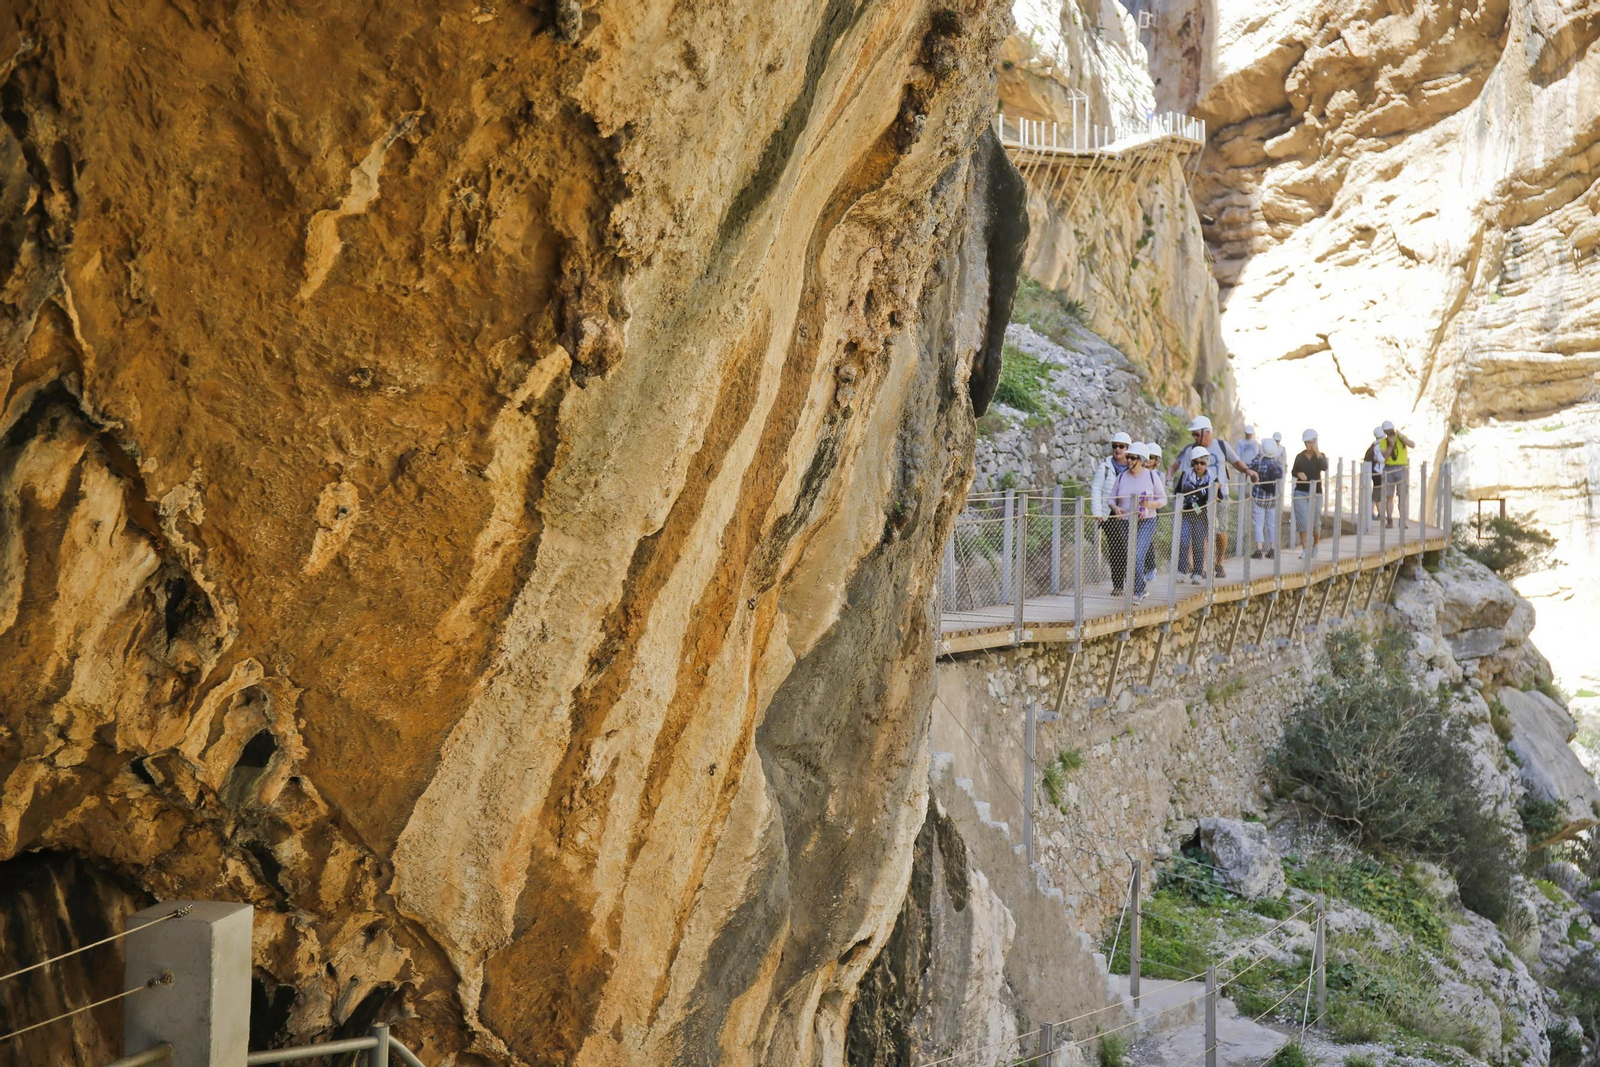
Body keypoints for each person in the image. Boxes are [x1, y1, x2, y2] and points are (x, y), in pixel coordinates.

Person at [1180, 416, 1256, 579]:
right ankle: (1201, 568)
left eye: (1196, 434)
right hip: (1199, 499)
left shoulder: (1221, 446)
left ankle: (1219, 562)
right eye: (1193, 435)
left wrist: (1248, 471)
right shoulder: (1191, 451)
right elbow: (1185, 473)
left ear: (1206, 432)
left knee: (1220, 531)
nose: (1194, 438)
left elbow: (1236, 462)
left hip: (1221, 496)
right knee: (1200, 532)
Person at [1110, 444, 1167, 602]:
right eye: (1128, 457)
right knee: (1131, 555)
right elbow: (1110, 498)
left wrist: (1150, 505)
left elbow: (1163, 499)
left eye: (1133, 458)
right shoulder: (1121, 476)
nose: (1128, 460)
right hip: (1125, 522)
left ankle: (1137, 590)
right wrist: (1115, 508)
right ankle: (1141, 587)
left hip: (1146, 521)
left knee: (1138, 553)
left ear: (1141, 460)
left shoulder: (1151, 476)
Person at [1091, 432, 1133, 593]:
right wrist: (1097, 513)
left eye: (1121, 446)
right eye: (1115, 446)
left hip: (1129, 514)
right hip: (1110, 515)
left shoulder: (1133, 468)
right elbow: (1096, 489)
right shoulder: (1105, 468)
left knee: (1129, 548)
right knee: (1117, 548)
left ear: (1128, 449)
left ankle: (1131, 582)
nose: (1118, 449)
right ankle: (1118, 585)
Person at [1173, 446, 1216, 582]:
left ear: (1207, 463)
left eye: (1202, 463)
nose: (1199, 466)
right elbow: (1177, 492)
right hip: (1186, 513)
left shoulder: (1211, 478)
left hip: (1202, 515)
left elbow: (1217, 496)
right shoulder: (1186, 475)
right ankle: (1181, 571)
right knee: (1184, 542)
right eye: (1196, 462)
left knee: (1198, 544)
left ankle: (1197, 572)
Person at [1291, 429, 1329, 555]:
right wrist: (1298, 474)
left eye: (1311, 442)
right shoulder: (1300, 457)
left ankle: (1316, 545)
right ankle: (1305, 549)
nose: (1308, 445)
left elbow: (1324, 466)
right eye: (1306, 443)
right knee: (1303, 520)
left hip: (1316, 492)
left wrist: (1317, 451)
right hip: (1300, 491)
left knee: (1316, 522)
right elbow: (1293, 471)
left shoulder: (1320, 456)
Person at [1249, 438, 1284, 558]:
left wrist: (1259, 454)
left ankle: (1259, 549)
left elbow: (1250, 466)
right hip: (1272, 499)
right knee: (1271, 525)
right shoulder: (1277, 463)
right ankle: (1272, 549)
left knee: (1258, 524)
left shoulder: (1259, 463)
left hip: (1259, 498)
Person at [1380, 420, 1415, 527]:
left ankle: (1402, 520)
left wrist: (1402, 438)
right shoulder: (1383, 442)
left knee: (1402, 496)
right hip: (1389, 469)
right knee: (1389, 496)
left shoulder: (1401, 438)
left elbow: (1412, 445)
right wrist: (1390, 445)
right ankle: (1389, 518)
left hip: (1401, 468)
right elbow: (1385, 456)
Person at [1363, 427, 1385, 526]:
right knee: (1377, 491)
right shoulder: (1379, 445)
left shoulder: (1374, 444)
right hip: (1377, 471)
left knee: (1377, 491)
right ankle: (1374, 513)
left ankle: (1377, 513)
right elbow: (1381, 459)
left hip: (1373, 471)